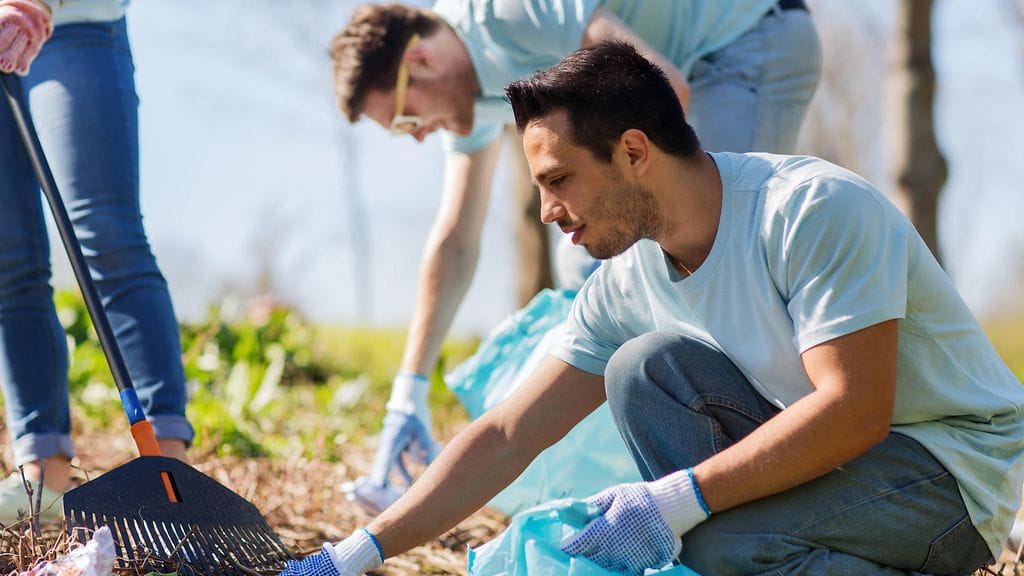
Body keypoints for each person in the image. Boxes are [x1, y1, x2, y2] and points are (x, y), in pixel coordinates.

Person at [281, 41, 1024, 576]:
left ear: (634, 152)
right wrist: (358, 552)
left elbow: (855, 410)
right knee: (643, 368)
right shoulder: (628, 277)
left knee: (717, 549)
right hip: (838, 470)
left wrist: (677, 504)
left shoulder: (809, 211)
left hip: (948, 474)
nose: (545, 211)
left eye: (559, 179)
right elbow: (509, 432)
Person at [330, 0, 822, 511]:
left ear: (421, 63)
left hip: (745, 38)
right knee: (579, 274)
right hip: (671, 74)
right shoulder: (463, 95)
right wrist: (408, 391)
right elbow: (455, 239)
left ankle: (775, 465)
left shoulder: (508, 12)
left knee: (698, 236)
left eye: (406, 119)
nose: (417, 136)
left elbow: (664, 87)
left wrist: (627, 257)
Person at [0, 0, 193, 522]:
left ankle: (167, 468)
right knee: (9, 263)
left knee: (104, 236)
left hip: (72, 23)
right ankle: (44, 478)